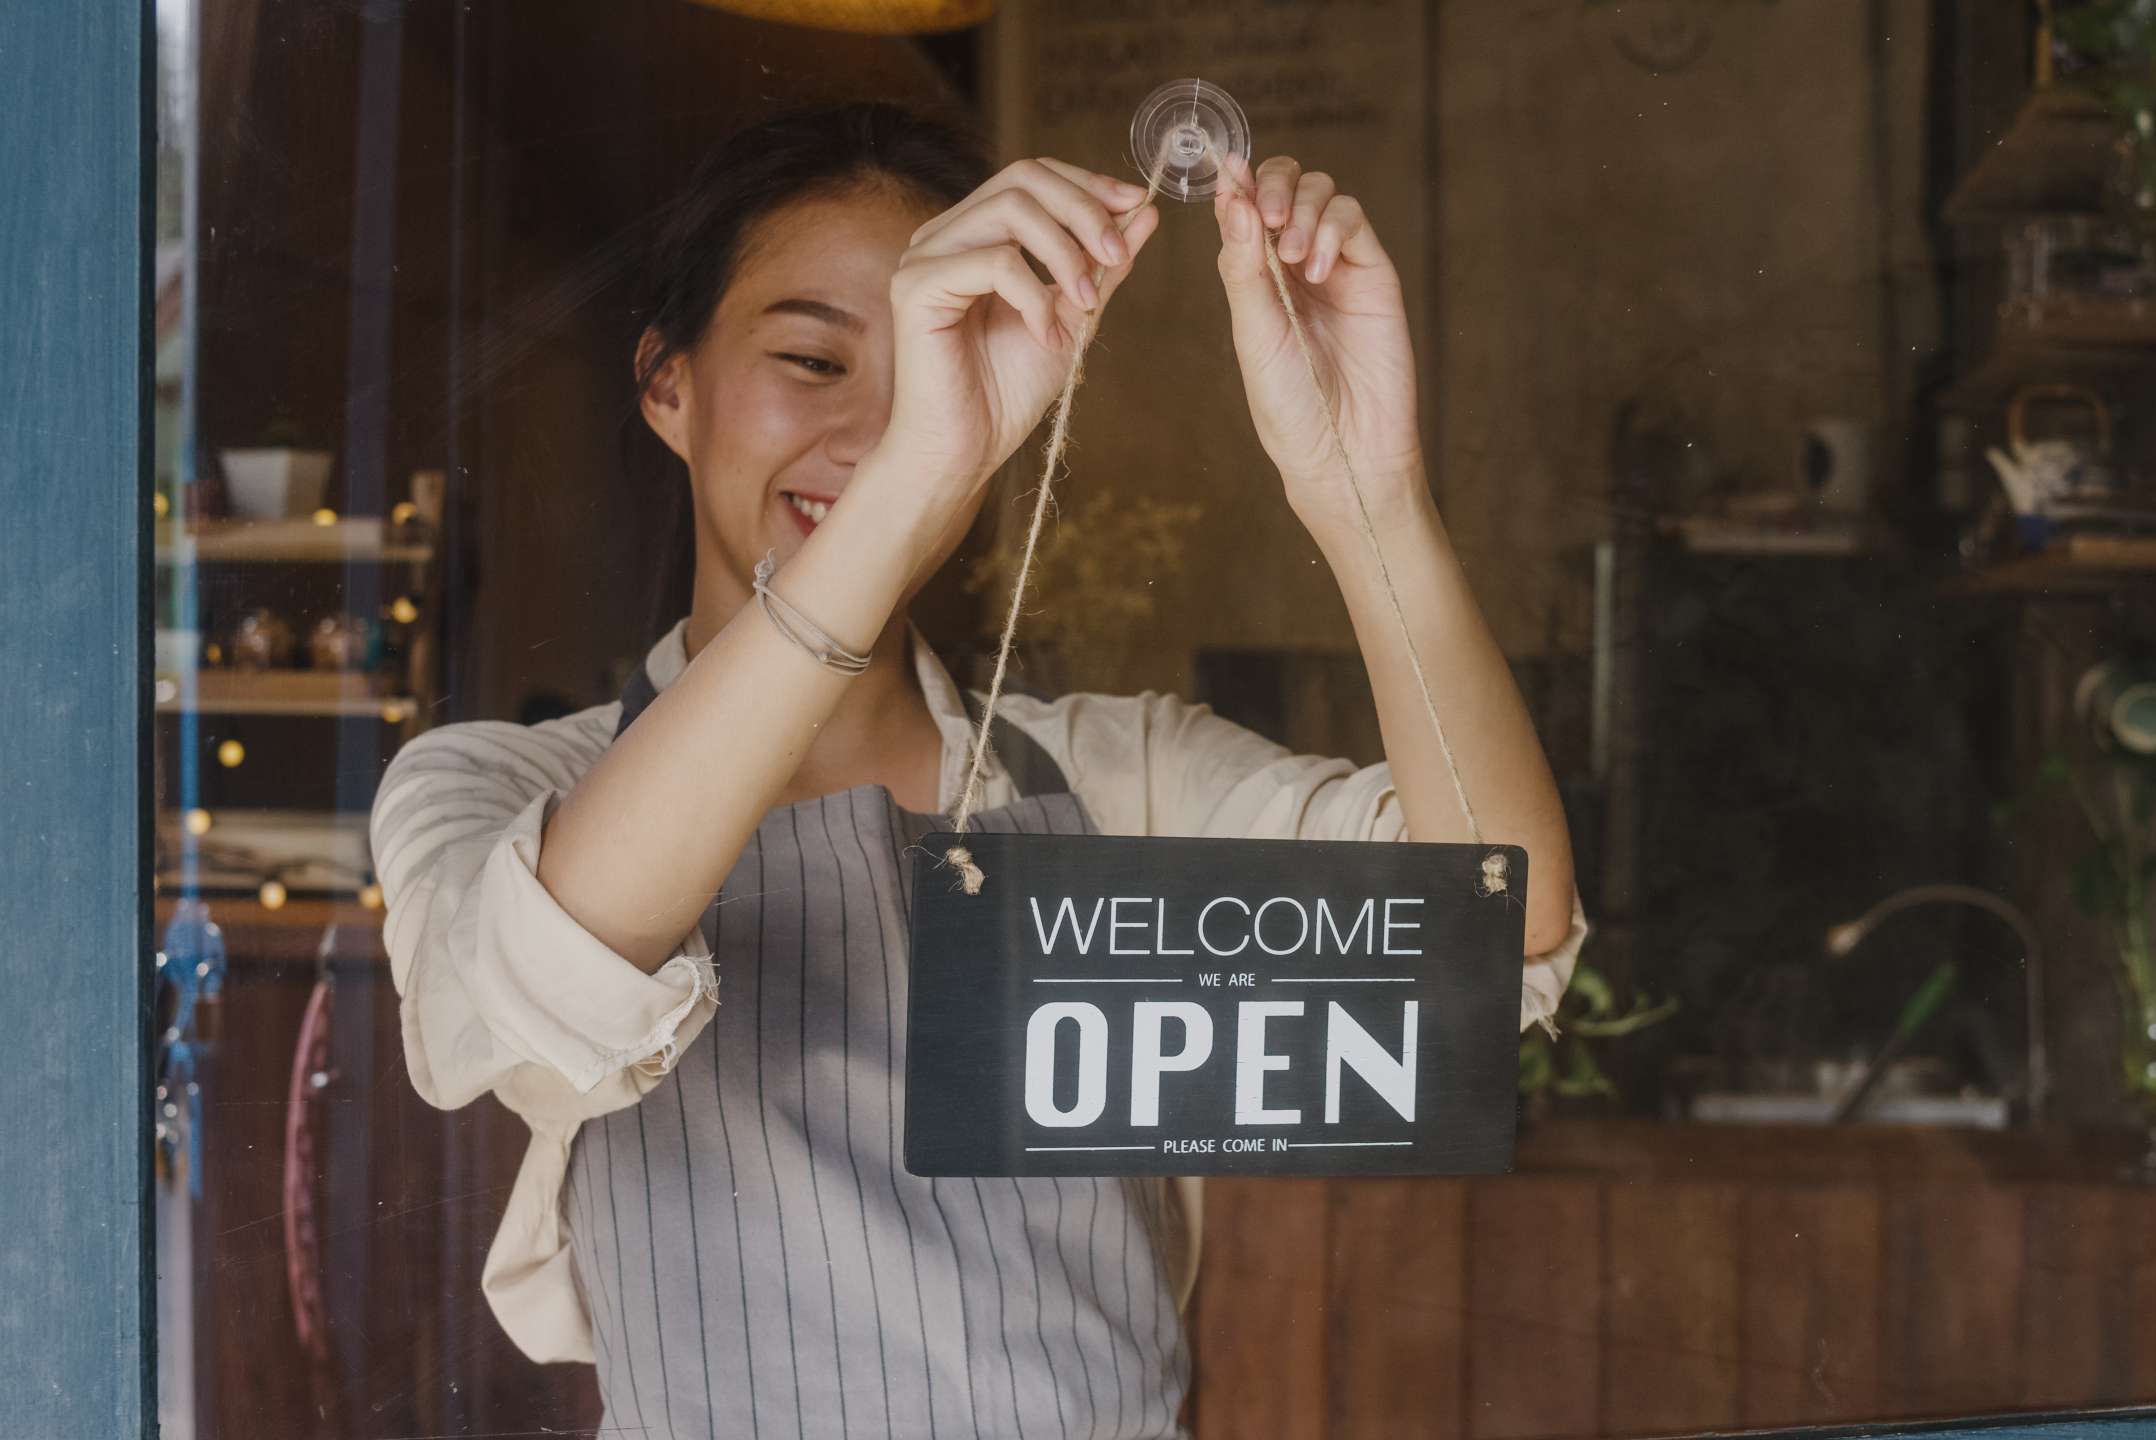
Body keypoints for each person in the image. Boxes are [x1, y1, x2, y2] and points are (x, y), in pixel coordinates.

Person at [372, 101, 1585, 1440]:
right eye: (814, 361)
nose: (880, 423)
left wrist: (1368, 491)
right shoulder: (491, 790)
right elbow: (546, 974)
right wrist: (906, 485)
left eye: (932, 367)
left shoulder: (1116, 778)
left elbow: (1489, 935)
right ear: (669, 384)